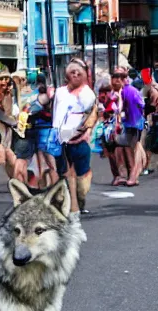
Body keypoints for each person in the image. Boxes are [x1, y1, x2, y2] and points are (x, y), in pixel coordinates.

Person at [52, 58, 98, 213]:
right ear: (67, 75)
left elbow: (92, 115)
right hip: (61, 139)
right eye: (73, 72)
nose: (76, 75)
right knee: (63, 174)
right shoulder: (59, 92)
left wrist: (88, 132)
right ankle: (67, 204)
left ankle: (80, 201)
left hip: (79, 139)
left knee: (82, 176)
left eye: (79, 72)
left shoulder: (88, 94)